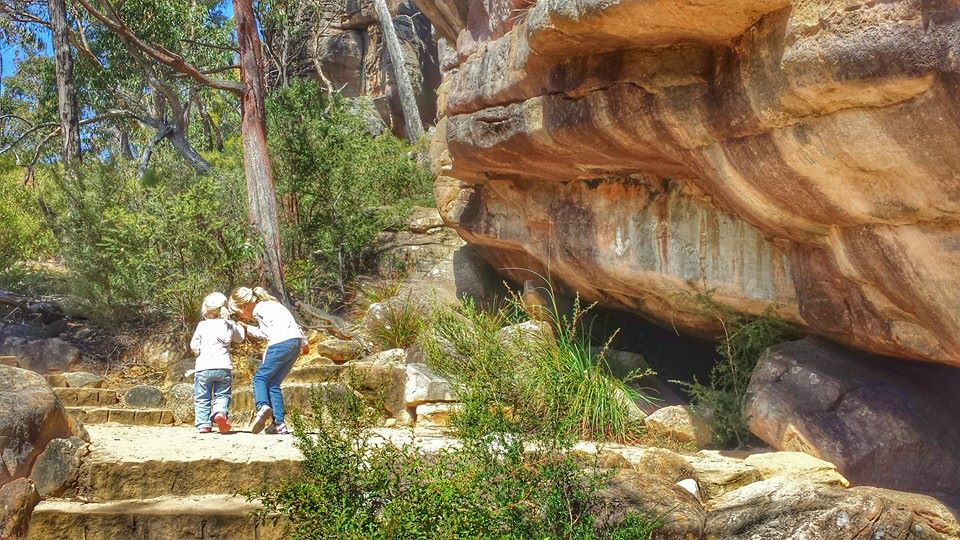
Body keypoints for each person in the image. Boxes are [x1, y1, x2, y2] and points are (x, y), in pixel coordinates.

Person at [229, 286, 308, 435]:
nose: (240, 316)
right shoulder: (275, 305)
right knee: (273, 384)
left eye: (238, 312)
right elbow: (292, 325)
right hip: (294, 344)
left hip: (280, 344)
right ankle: (279, 425)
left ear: (244, 305)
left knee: (260, 378)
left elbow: (267, 334)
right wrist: (304, 343)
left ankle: (262, 407)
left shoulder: (259, 309)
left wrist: (246, 328)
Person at [190, 292, 243, 434]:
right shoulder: (229, 324)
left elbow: (194, 345)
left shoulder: (202, 325)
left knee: (202, 397)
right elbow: (239, 339)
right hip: (223, 367)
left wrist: (198, 352)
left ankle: (204, 425)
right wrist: (239, 326)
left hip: (203, 367)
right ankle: (220, 412)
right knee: (223, 395)